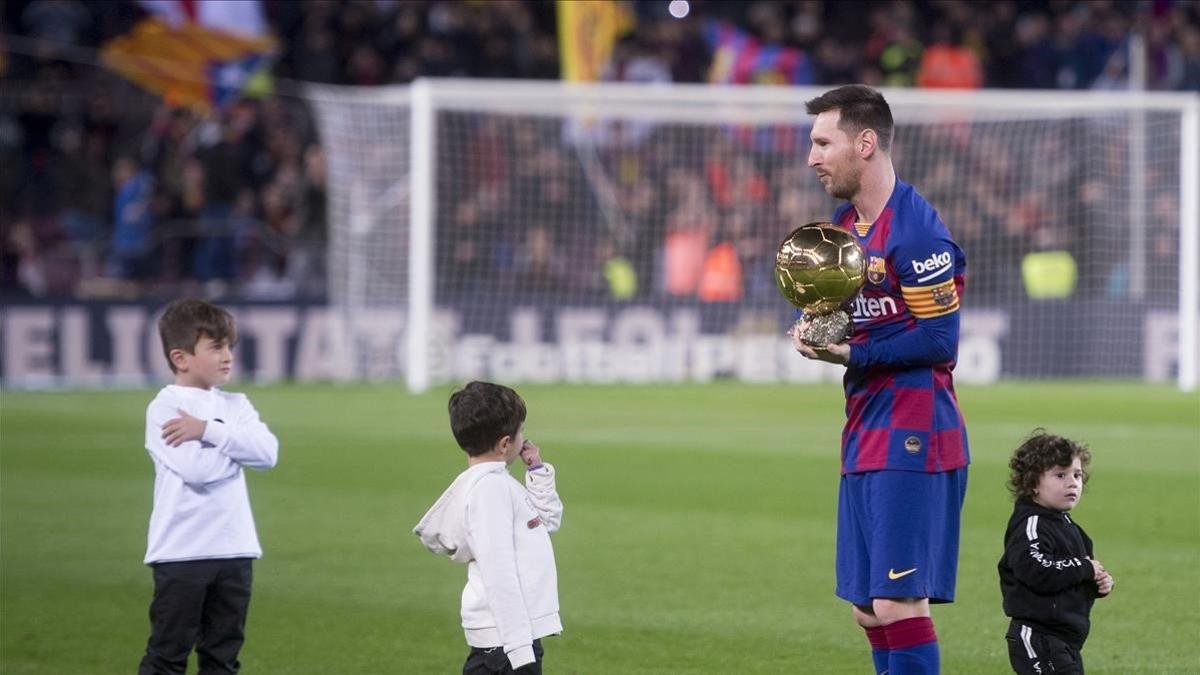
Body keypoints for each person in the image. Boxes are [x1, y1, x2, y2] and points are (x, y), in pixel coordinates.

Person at [792, 84, 969, 675]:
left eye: (823, 142)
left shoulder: (915, 235)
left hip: (915, 431)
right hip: (865, 426)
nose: (812, 157)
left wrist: (851, 354)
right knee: (868, 608)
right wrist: (817, 323)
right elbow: (861, 318)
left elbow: (942, 342)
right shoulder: (845, 226)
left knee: (898, 601)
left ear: (865, 143)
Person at [139, 299, 279, 674]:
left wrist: (208, 431)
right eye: (216, 346)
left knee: (223, 657)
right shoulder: (164, 409)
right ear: (181, 358)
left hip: (235, 549)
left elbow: (268, 454)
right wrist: (237, 448)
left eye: (229, 346)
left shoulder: (236, 403)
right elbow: (197, 470)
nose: (227, 355)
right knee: (168, 655)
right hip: (183, 550)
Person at [413, 381, 563, 674]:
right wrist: (519, 649)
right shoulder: (490, 491)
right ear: (505, 443)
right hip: (507, 643)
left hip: (508, 638)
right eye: (521, 431)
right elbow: (499, 572)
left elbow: (548, 522)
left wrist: (536, 471)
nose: (525, 437)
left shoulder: (496, 482)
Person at [999, 430, 1113, 674]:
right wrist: (1084, 569)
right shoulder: (1031, 525)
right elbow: (1036, 570)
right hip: (1038, 637)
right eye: (1060, 475)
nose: (1072, 482)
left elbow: (1070, 578)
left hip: (1066, 640)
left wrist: (1098, 583)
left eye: (1077, 475)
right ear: (1032, 484)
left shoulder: (1070, 527)